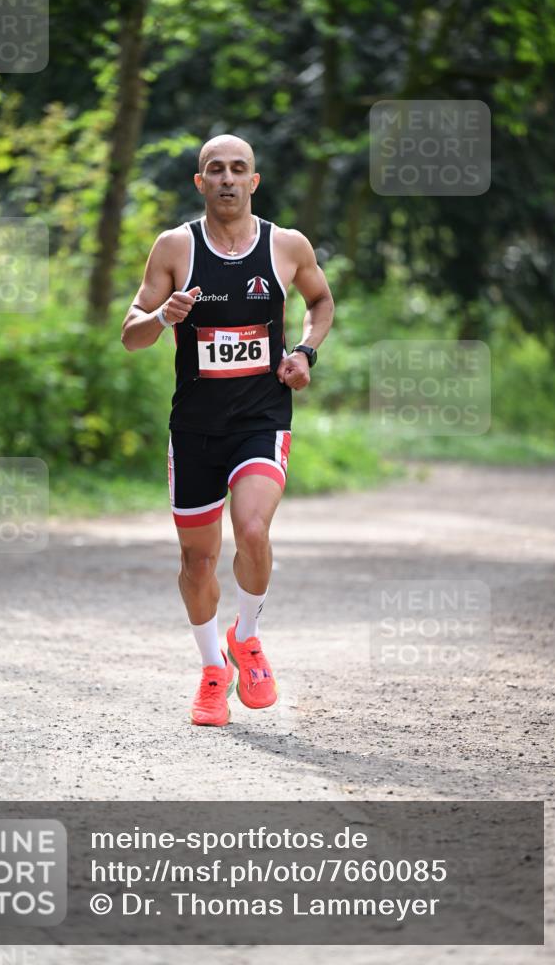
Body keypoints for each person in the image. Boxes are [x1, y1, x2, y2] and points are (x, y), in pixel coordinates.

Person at [121, 134, 334, 726]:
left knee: (254, 530)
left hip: (261, 419)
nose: (227, 179)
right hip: (194, 428)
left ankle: (250, 635)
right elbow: (130, 331)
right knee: (196, 563)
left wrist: (304, 353)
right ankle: (214, 668)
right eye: (215, 169)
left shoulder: (286, 246)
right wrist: (163, 317)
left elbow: (320, 302)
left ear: (254, 181)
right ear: (200, 182)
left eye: (239, 169)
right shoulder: (174, 247)